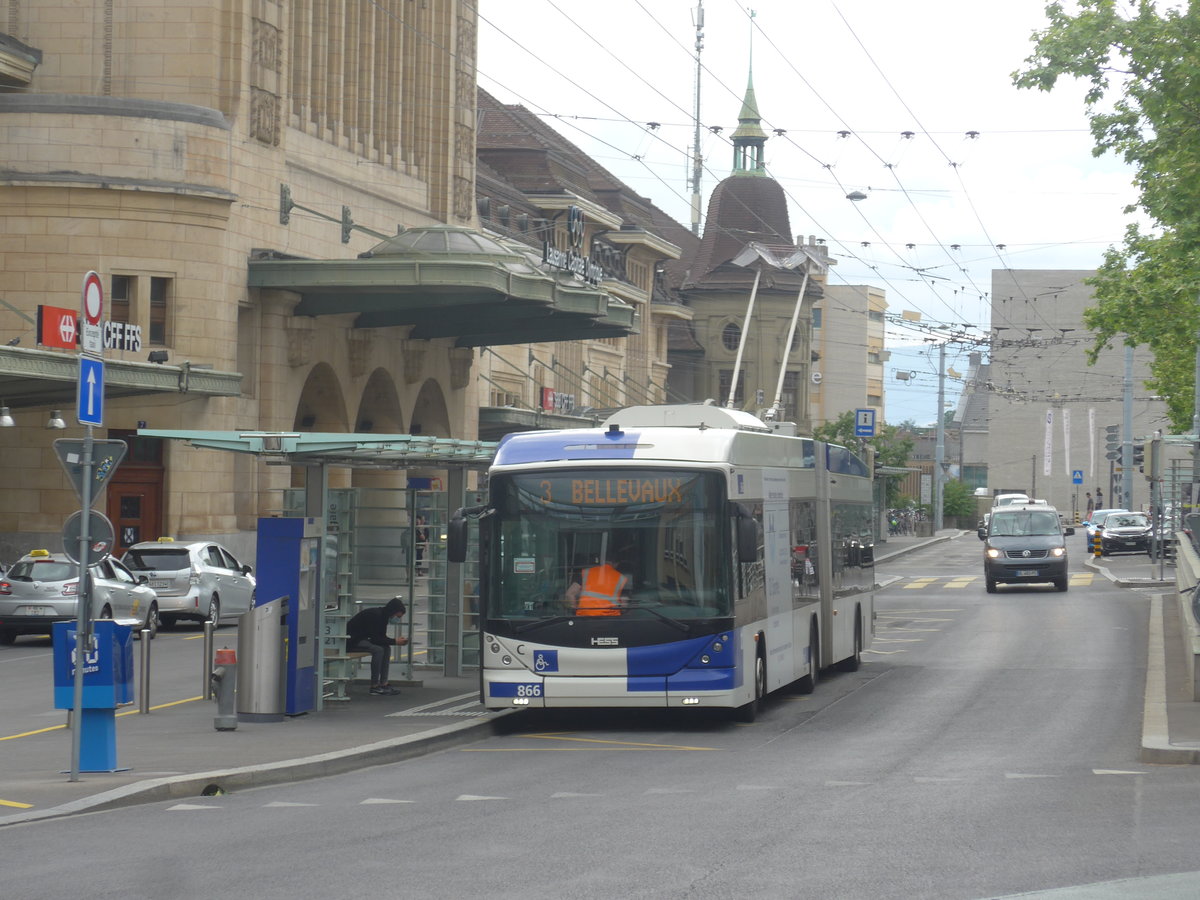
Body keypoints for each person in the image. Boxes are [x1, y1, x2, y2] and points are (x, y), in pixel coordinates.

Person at [346, 596, 408, 695]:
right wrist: (395, 641)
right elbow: (377, 639)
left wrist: (393, 641)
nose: (398, 619)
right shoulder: (376, 616)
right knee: (378, 650)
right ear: (392, 612)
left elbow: (381, 638)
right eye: (398, 616)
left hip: (362, 639)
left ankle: (384, 683)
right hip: (351, 641)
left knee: (386, 648)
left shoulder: (383, 616)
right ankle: (374, 686)